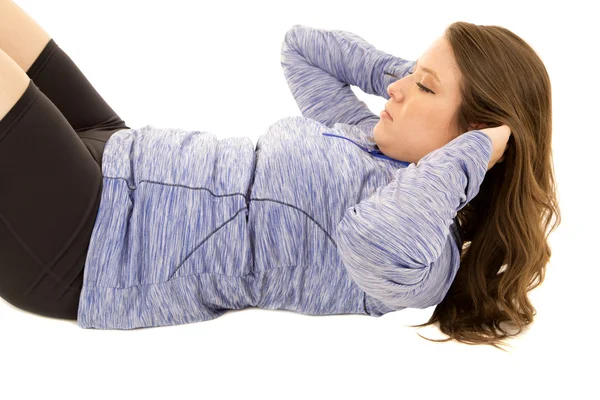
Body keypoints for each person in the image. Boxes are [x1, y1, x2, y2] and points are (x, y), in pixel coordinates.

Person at [0, 1, 559, 350]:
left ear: (475, 141)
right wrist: (409, 74)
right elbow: (301, 50)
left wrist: (477, 151)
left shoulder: (427, 255)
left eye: (426, 89)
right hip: (114, 150)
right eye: (409, 75)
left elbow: (373, 238)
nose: (397, 90)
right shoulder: (368, 137)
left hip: (94, 243)